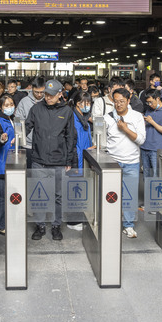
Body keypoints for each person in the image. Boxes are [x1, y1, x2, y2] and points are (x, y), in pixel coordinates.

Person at [26, 79, 76, 241]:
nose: (47, 98)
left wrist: (69, 159)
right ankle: (40, 226)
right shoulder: (36, 109)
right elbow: (26, 127)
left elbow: (70, 137)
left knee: (58, 196)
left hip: (59, 161)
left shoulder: (67, 112)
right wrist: (16, 137)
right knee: (39, 194)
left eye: (51, 95)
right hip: (39, 159)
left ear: (60, 94)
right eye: (46, 94)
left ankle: (56, 226)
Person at [105, 88, 146, 238]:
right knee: (110, 195)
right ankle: (110, 223)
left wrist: (125, 129)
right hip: (112, 162)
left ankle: (128, 225)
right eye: (116, 101)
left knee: (129, 196)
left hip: (131, 162)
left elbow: (141, 140)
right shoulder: (108, 117)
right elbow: (103, 139)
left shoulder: (137, 117)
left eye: (122, 101)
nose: (118, 104)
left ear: (129, 101)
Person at [66, 91, 95, 232]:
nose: (88, 106)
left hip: (85, 158)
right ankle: (72, 220)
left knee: (81, 191)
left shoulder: (84, 118)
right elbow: (71, 143)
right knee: (75, 191)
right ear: (78, 103)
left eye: (89, 103)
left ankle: (79, 217)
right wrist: (73, 163)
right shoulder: (72, 118)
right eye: (86, 103)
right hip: (76, 160)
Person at [0, 94, 16, 235]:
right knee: (0, 196)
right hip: (1, 164)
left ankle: (9, 220)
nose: (10, 107)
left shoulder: (12, 119)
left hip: (11, 162)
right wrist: (2, 138)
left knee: (10, 194)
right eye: (6, 105)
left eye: (11, 104)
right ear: (0, 107)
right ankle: (0, 225)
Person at [140, 88, 162, 177]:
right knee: (146, 176)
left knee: (155, 176)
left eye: (151, 102)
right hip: (144, 146)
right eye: (148, 103)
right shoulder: (149, 110)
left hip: (156, 149)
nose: (150, 105)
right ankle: (147, 191)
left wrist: (152, 122)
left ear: (157, 99)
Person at [15, 77, 46, 166]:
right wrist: (19, 136)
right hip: (28, 145)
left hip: (44, 145)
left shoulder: (47, 101)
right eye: (37, 92)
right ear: (32, 88)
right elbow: (18, 120)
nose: (39, 95)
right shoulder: (24, 102)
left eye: (42, 92)